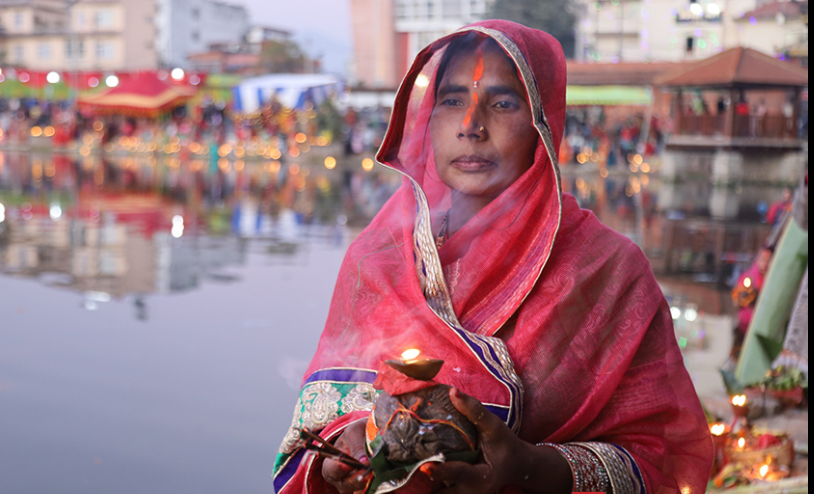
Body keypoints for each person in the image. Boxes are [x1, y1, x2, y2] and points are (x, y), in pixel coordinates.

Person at [274, 22, 711, 494]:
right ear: (427, 120)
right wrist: (347, 450)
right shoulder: (376, 261)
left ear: (543, 124)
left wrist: (534, 469)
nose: (471, 126)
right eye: (452, 100)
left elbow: (661, 458)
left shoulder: (606, 271)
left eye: (503, 103)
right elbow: (314, 431)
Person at [730, 247, 774, 359]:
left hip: (764, 330)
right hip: (744, 328)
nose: (765, 264)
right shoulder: (749, 276)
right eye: (763, 259)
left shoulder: (773, 279)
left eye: (769, 260)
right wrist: (746, 297)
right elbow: (736, 300)